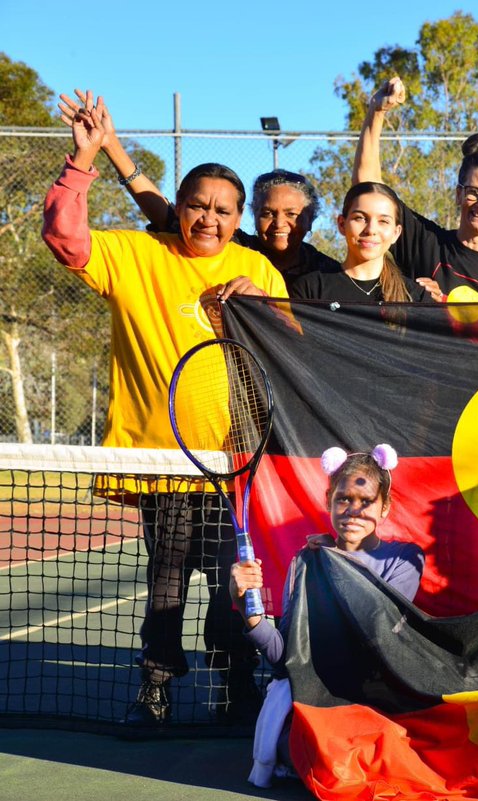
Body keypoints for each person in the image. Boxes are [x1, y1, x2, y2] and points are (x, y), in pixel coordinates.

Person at [42, 90, 289, 726]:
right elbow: (65, 237)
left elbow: (295, 350)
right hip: (165, 463)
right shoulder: (139, 255)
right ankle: (154, 689)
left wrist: (263, 306)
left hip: (236, 466)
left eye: (223, 210)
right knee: (166, 581)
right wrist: (84, 158)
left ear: (239, 218)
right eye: (198, 205)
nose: (209, 218)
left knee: (234, 581)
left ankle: (236, 683)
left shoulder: (258, 269)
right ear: (177, 207)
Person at [230, 444, 425, 786]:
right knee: (324, 762)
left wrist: (334, 560)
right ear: (329, 502)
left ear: (385, 508)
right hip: (315, 705)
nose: (353, 510)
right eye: (343, 499)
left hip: (374, 701)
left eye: (366, 501)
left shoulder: (405, 559)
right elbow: (285, 660)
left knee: (378, 764)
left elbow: (375, 628)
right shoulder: (306, 562)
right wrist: (248, 610)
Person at [57, 89, 337, 292]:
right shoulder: (232, 248)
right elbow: (167, 214)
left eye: (292, 214)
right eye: (268, 212)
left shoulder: (328, 273)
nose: (279, 223)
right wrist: (111, 145)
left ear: (311, 217)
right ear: (247, 216)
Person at [353, 78, 478, 304]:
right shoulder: (427, 244)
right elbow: (367, 190)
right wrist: (377, 112)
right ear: (458, 194)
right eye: (473, 192)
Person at [290, 182, 429, 304]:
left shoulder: (416, 297)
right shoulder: (310, 289)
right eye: (360, 218)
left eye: (383, 221)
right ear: (342, 224)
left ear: (396, 233)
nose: (371, 230)